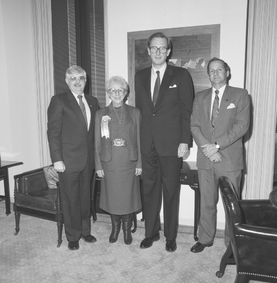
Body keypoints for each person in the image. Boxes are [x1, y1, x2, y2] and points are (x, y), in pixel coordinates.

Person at [135, 32, 194, 252]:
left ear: (168, 51)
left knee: (171, 192)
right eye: (154, 48)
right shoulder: (140, 76)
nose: (158, 52)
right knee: (149, 191)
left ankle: (170, 236)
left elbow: (187, 111)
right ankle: (151, 233)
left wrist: (184, 141)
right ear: (148, 50)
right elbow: (141, 112)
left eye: (162, 48)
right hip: (147, 144)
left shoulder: (181, 75)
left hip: (171, 145)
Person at [190, 57, 250, 253]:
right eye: (212, 71)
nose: (215, 73)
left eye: (219, 70)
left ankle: (232, 244)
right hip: (206, 159)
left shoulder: (240, 95)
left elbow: (241, 126)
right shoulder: (200, 97)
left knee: (231, 205)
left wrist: (216, 146)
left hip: (230, 160)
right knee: (206, 201)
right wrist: (208, 149)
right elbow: (194, 126)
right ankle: (205, 238)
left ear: (227, 72)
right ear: (208, 75)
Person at [47, 65, 99, 250]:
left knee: (86, 198)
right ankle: (73, 236)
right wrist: (57, 159)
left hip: (88, 161)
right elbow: (53, 132)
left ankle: (85, 231)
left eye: (81, 78)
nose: (77, 82)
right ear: (67, 81)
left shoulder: (92, 101)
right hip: (67, 161)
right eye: (73, 78)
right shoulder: (59, 100)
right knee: (70, 200)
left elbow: (95, 133)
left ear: (86, 80)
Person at [95, 76, 142, 245]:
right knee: (113, 198)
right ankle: (115, 229)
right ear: (108, 93)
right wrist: (98, 165)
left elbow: (139, 140)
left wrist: (139, 163)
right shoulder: (100, 114)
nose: (116, 93)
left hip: (129, 163)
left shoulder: (135, 113)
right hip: (109, 163)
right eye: (112, 90)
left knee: (127, 197)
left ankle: (127, 231)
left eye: (120, 90)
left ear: (125, 92)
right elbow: (96, 142)